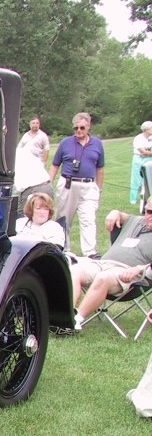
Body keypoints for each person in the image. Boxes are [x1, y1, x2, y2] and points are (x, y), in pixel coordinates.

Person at [71, 207, 152, 330]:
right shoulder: (137, 221)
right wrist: (114, 213)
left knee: (103, 278)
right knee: (75, 270)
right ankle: (67, 313)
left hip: (129, 273)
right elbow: (120, 215)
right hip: (103, 264)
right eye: (149, 212)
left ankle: (75, 320)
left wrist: (140, 268)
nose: (150, 216)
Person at [48, 112, 104, 258]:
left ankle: (90, 252)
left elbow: (100, 168)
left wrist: (99, 187)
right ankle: (62, 248)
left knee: (88, 219)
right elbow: (55, 164)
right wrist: (49, 183)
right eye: (76, 128)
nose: (79, 130)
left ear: (88, 127)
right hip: (68, 184)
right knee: (64, 218)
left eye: (82, 127)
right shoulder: (65, 143)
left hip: (89, 185)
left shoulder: (97, 144)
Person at [129, 121, 152, 205]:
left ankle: (150, 198)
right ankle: (133, 199)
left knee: (150, 179)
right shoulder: (138, 138)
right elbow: (142, 152)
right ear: (146, 129)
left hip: (150, 160)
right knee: (137, 180)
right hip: (139, 159)